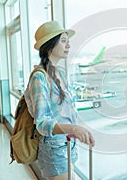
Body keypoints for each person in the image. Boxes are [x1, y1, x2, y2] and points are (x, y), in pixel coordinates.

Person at [24, 21, 95, 180]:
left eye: (67, 41)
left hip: (69, 143)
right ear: (49, 46)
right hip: (54, 148)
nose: (68, 45)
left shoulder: (61, 73)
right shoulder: (39, 78)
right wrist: (74, 128)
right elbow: (42, 123)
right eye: (63, 41)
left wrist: (75, 130)